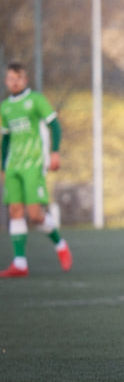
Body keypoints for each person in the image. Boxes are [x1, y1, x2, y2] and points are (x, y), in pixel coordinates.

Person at [0, 62, 71, 278]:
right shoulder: (5, 108)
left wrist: (55, 152)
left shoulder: (36, 100)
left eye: (18, 78)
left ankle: (60, 244)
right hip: (13, 166)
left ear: (25, 80)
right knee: (14, 212)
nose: (14, 82)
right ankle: (20, 263)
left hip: (34, 164)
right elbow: (6, 138)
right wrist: (3, 166)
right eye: (10, 78)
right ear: (6, 81)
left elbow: (54, 124)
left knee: (35, 215)